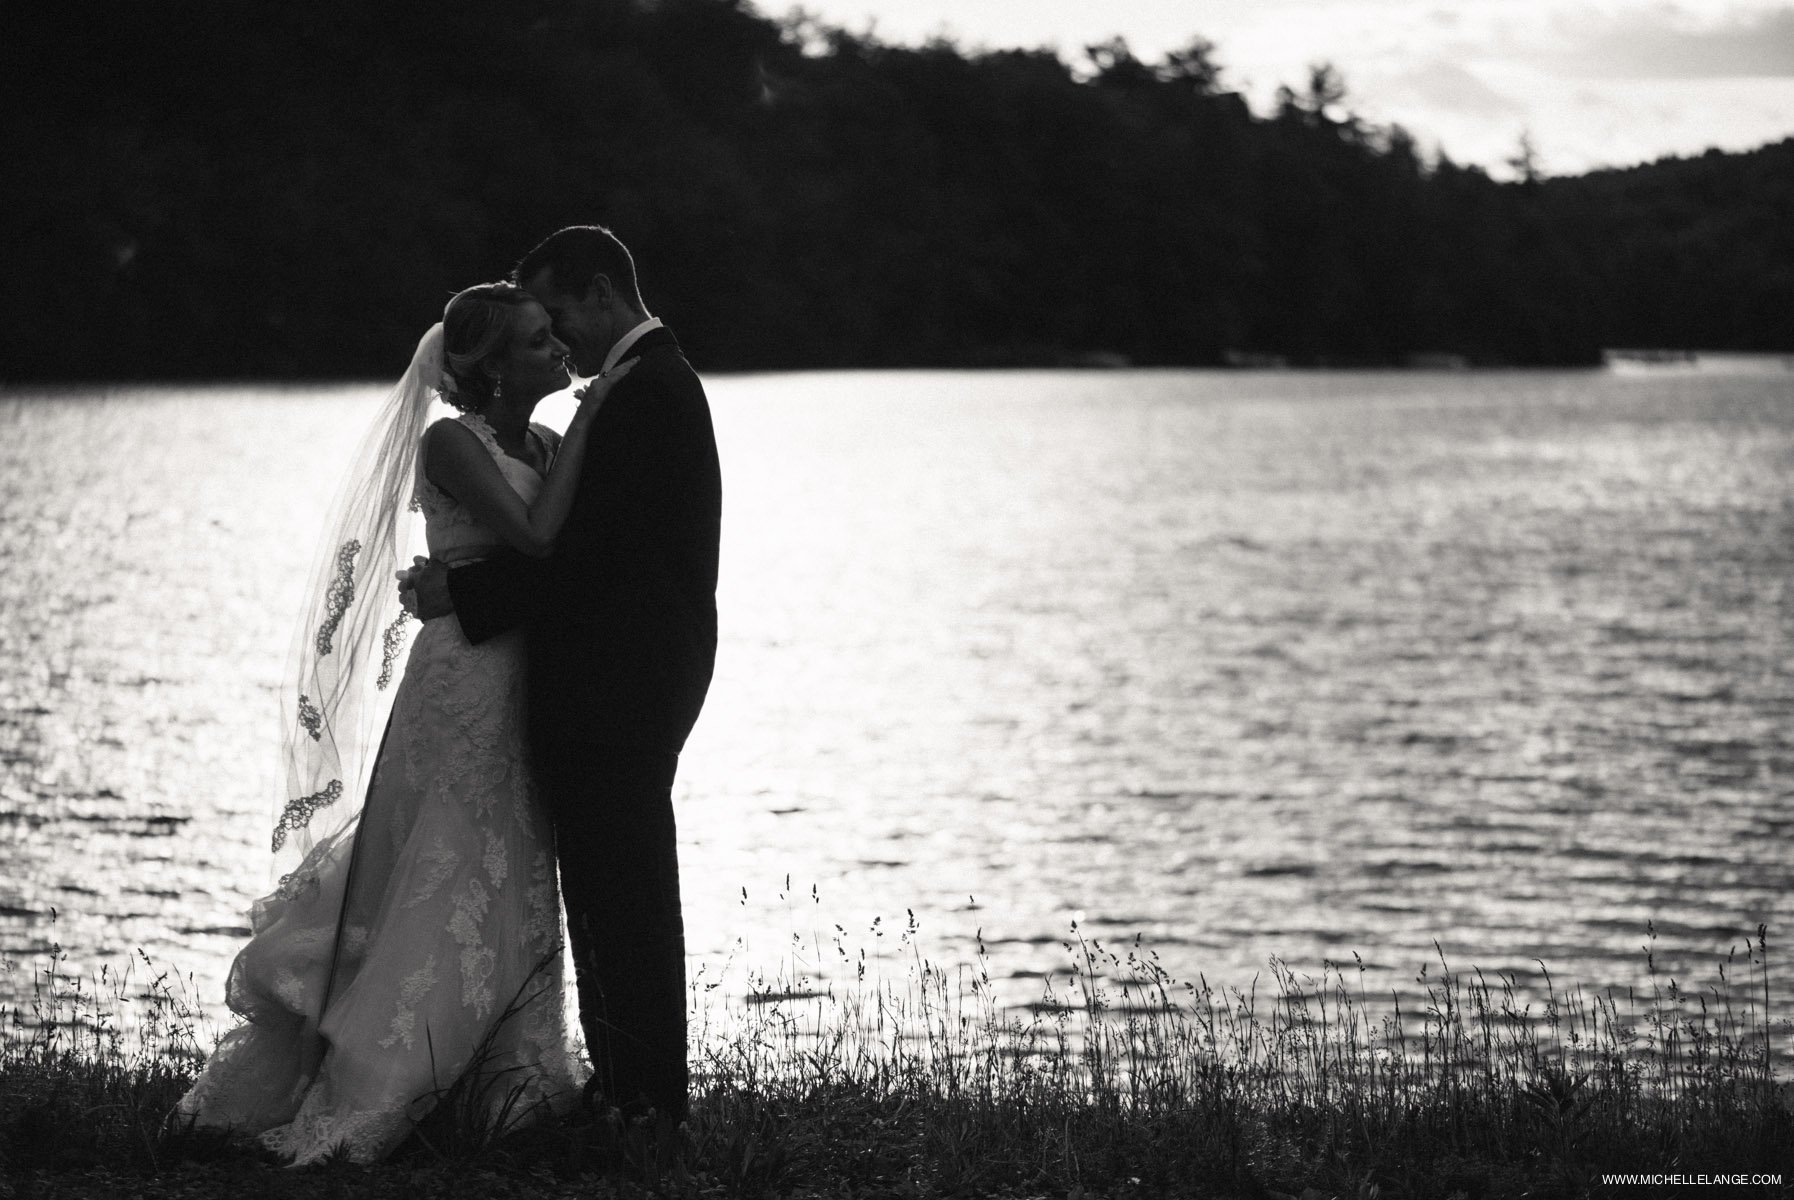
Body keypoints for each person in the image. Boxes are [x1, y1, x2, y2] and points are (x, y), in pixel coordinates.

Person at [174, 283, 636, 1164]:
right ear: (493, 367)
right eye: (539, 343)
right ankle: (396, 1072)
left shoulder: (534, 439)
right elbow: (536, 540)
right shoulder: (450, 442)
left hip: (524, 670)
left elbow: (568, 552)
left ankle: (511, 1076)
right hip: (464, 678)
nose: (560, 354)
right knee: (450, 854)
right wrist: (591, 426)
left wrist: (573, 440)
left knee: (515, 857)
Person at [401, 225, 722, 1125]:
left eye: (557, 320)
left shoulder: (643, 390)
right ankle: (627, 1084)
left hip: (622, 680)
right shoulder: (640, 385)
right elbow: (585, 548)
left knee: (622, 885)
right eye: (536, 334)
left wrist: (461, 595)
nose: (560, 343)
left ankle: (642, 1093)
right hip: (618, 672)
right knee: (609, 880)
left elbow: (587, 556)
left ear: (595, 295)